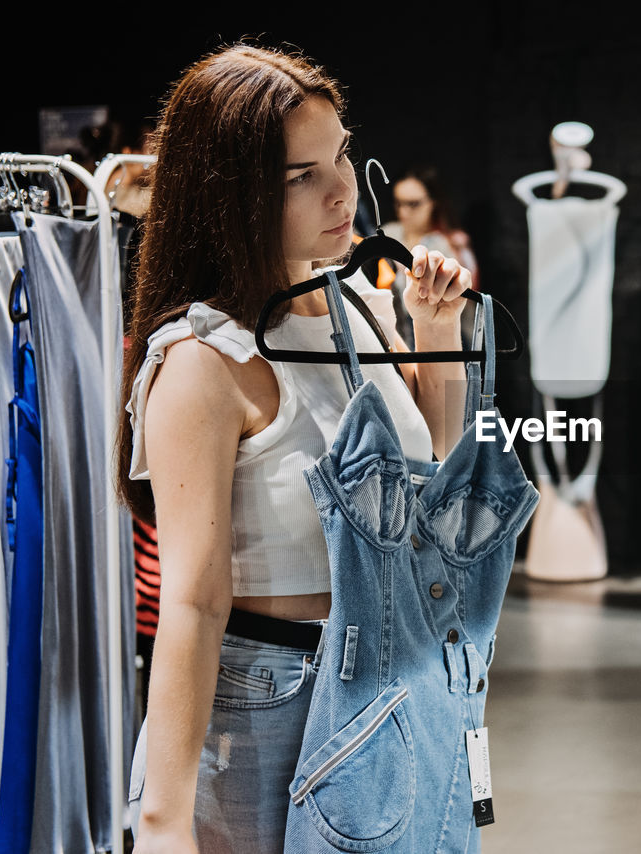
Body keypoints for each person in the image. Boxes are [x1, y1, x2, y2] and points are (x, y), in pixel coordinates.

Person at [115, 44, 472, 854]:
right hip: (272, 698)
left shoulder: (352, 303)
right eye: (299, 175)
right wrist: (163, 816)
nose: (343, 189)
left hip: (394, 672)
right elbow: (194, 602)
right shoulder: (204, 361)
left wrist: (437, 331)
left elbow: (434, 470)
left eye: (342, 153)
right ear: (230, 195)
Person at [383, 164, 479, 346]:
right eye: (399, 203)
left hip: (442, 331)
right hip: (394, 333)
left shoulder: (449, 243)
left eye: (413, 204)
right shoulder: (388, 234)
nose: (404, 212)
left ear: (432, 202)